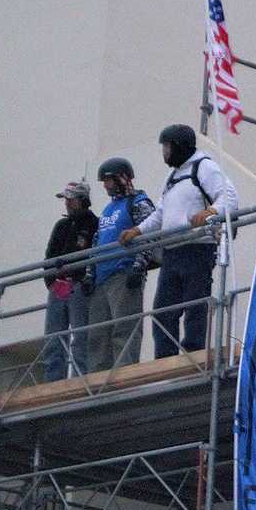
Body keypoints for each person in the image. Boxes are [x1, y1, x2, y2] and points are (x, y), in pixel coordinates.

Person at [119, 125, 238, 359]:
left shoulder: (204, 166)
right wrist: (138, 230)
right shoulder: (172, 177)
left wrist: (211, 210)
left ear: (179, 146)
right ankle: (166, 357)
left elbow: (229, 196)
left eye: (167, 147)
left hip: (197, 247)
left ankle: (193, 353)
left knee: (195, 304)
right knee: (164, 310)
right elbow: (161, 213)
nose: (164, 152)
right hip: (172, 252)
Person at [83, 158, 155, 372]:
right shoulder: (107, 209)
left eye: (108, 180)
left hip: (123, 273)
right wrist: (89, 273)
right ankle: (98, 378)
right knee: (97, 334)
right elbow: (97, 241)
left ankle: (124, 373)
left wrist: (139, 265)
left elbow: (149, 233)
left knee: (124, 327)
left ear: (121, 178)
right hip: (101, 277)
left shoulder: (139, 202)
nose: (105, 185)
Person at [40, 181, 98, 383]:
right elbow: (49, 256)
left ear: (82, 200)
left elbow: (94, 254)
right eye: (66, 199)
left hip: (79, 285)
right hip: (58, 286)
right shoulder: (61, 225)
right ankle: (53, 381)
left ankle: (80, 379)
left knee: (81, 336)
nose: (67, 203)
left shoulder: (93, 223)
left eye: (70, 199)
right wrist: (51, 281)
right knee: (53, 337)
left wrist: (83, 278)